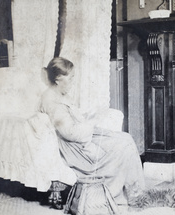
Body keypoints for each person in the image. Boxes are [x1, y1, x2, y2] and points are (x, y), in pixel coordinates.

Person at [40, 57, 145, 209]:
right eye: (71, 78)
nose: (73, 82)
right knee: (123, 146)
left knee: (125, 138)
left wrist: (91, 116)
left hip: (82, 137)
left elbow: (74, 120)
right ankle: (123, 195)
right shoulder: (52, 101)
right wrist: (93, 120)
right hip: (75, 148)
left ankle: (137, 194)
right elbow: (71, 133)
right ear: (58, 78)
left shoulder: (60, 95)